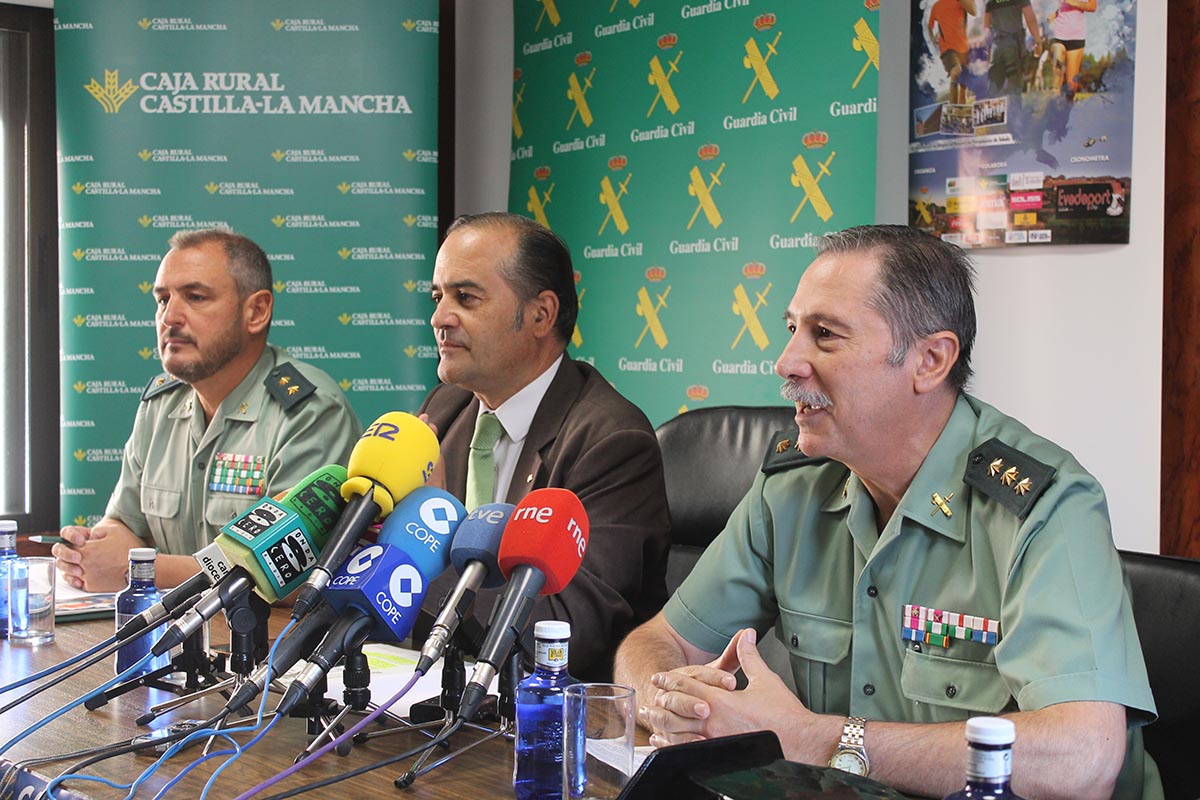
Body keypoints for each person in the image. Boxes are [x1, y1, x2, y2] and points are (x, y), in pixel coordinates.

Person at [614, 225, 1160, 800]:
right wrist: (669, 703)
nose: (787, 361)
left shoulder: (1044, 506)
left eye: (825, 335)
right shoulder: (792, 488)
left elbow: (1081, 759)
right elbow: (655, 642)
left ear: (929, 360)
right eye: (792, 329)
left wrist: (810, 738)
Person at [418, 212, 670, 681]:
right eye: (438, 297)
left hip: (552, 727)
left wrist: (428, 540)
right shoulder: (447, 407)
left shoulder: (612, 441)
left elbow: (566, 634)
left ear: (541, 314)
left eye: (465, 298)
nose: (439, 318)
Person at [53, 229, 362, 592]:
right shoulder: (160, 405)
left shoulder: (310, 412)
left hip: (268, 643)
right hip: (171, 639)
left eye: (195, 297)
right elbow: (124, 524)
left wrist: (136, 571)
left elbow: (285, 575)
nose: (169, 317)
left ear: (257, 311)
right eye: (162, 300)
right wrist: (92, 552)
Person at [984, 0, 1043, 95]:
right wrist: (1038, 41)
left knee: (994, 89)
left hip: (997, 47)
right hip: (1014, 45)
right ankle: (1014, 110)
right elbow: (1030, 18)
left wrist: (988, 50)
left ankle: (992, 108)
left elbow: (986, 29)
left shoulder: (989, 2)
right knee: (1014, 88)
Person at [929, 0, 978, 105]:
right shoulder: (936, 6)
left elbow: (974, 11)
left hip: (962, 47)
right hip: (947, 48)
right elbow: (930, 25)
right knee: (956, 71)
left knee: (964, 81)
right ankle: (954, 106)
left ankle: (961, 105)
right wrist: (933, 38)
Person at [1049, 0, 1097, 98]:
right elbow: (1062, 6)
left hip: (1076, 36)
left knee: (1071, 86)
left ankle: (1066, 111)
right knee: (1057, 74)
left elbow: (1092, 7)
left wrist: (1073, 2)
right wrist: (1052, 16)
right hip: (1058, 33)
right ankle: (1054, 107)